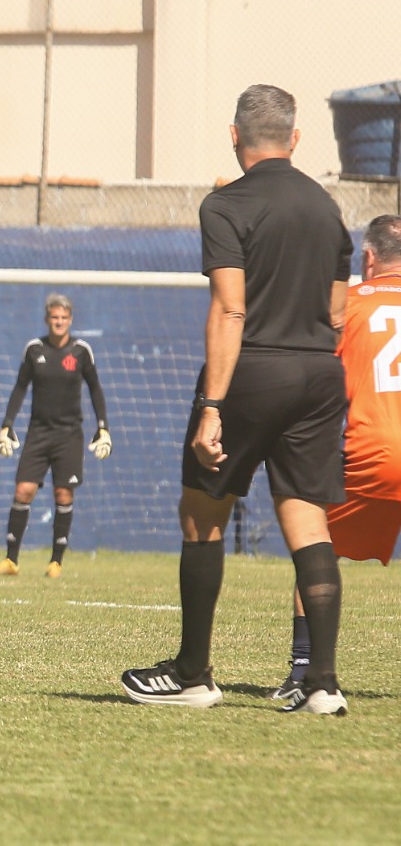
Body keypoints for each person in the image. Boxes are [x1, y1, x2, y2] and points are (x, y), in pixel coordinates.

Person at [121, 84, 353, 715]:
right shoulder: (328, 210)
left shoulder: (226, 206)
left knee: (202, 514)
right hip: (318, 374)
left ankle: (194, 674)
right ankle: (322, 684)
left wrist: (213, 408)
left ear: (234, 137)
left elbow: (229, 307)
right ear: (296, 139)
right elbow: (337, 314)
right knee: (307, 519)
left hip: (253, 372)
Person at [269, 214, 401, 704]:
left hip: (374, 451)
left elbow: (317, 374)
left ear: (368, 258)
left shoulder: (350, 304)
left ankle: (305, 670)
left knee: (314, 541)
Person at [0, 294, 111, 578]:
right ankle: (11, 561)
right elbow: (20, 388)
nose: (59, 322)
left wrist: (102, 427)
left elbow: (95, 389)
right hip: (38, 433)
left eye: (64, 318)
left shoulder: (81, 351)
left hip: (69, 435)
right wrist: (7, 424)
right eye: (54, 317)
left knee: (63, 493)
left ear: (70, 320)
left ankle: (56, 562)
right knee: (23, 490)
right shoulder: (34, 350)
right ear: (47, 319)